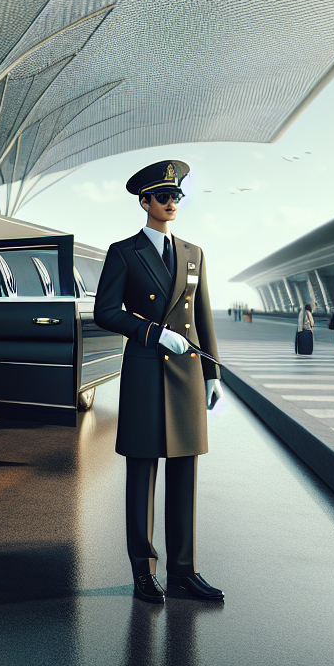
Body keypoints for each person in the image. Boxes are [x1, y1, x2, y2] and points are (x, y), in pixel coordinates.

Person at [94, 160, 224, 603]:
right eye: (164, 197)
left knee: (185, 472)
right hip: (147, 368)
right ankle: (144, 572)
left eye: (176, 197)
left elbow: (203, 318)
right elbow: (105, 312)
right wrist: (154, 332)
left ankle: (184, 571)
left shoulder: (194, 253)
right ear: (144, 201)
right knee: (143, 472)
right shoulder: (124, 252)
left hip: (187, 374)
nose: (172, 203)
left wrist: (212, 373)